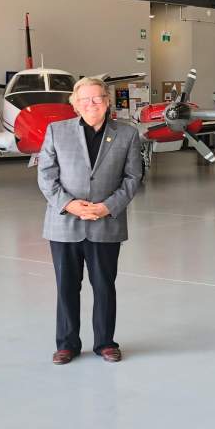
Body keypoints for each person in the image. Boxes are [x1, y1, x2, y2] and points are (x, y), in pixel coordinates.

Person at [37, 76, 143, 364]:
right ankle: (67, 344)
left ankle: (106, 343)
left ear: (107, 102)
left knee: (104, 287)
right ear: (75, 104)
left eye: (97, 98)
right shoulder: (57, 131)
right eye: (84, 99)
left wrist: (107, 207)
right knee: (66, 287)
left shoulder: (127, 134)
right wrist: (70, 205)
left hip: (106, 223)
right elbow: (46, 175)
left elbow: (133, 178)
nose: (91, 104)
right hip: (64, 225)